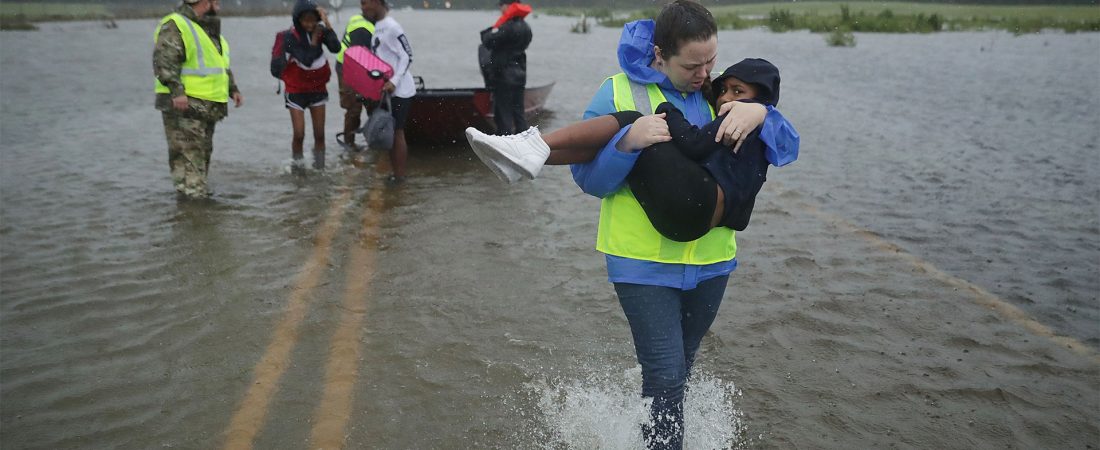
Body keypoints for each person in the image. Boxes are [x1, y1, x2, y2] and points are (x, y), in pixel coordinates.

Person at [498, 2, 796, 448]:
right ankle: (524, 151)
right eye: (693, 65)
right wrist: (627, 144)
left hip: (713, 262)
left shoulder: (721, 94)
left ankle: (649, 437)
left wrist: (763, 114)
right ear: (660, 54)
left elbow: (787, 148)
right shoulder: (618, 91)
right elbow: (590, 182)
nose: (705, 73)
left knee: (678, 372)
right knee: (666, 375)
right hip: (642, 262)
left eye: (711, 61)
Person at [466, 58, 798, 241]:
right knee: (629, 133)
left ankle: (529, 150)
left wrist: (670, 111)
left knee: (633, 121)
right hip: (688, 229)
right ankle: (521, 157)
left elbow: (697, 146)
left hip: (696, 214)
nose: (726, 98)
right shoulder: (736, 117)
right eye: (724, 90)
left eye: (738, 91)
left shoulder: (744, 118)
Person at [153, 0, 243, 199]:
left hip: (207, 105)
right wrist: (177, 92)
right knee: (189, 157)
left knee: (201, 156)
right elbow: (164, 61)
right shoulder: (176, 24)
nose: (219, 3)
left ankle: (195, 212)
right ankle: (194, 206)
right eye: (215, 0)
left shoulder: (208, 29)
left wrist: (232, 89)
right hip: (185, 105)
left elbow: (220, 65)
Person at [278, 0, 340, 170]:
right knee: (299, 134)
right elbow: (306, 60)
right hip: (296, 90)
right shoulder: (290, 38)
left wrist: (327, 24)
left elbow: (336, 47)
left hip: (317, 88)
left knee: (319, 135)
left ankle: (319, 169)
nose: (310, 24)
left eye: (313, 20)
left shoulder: (320, 30)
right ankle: (298, 170)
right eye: (306, 20)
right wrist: (314, 39)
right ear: (298, 20)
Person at [363, 0, 414, 183]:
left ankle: (400, 177)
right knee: (391, 132)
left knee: (398, 131)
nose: (363, 7)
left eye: (365, 3)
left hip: (400, 90)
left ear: (377, 2)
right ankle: (394, 173)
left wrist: (394, 80)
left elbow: (407, 55)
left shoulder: (392, 26)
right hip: (385, 90)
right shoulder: (377, 26)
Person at [480, 0, 532, 135]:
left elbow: (488, 41)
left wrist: (488, 32)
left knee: (503, 115)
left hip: (504, 76)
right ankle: (524, 141)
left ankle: (504, 143)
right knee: (519, 114)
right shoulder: (526, 27)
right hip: (520, 76)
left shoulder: (507, 27)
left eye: (501, 6)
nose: (500, 9)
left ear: (509, 6)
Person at [334, 0, 376, 152]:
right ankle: (349, 146)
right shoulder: (361, 26)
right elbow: (360, 57)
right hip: (348, 67)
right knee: (354, 107)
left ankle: (372, 143)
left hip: (360, 66)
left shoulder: (377, 22)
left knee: (372, 106)